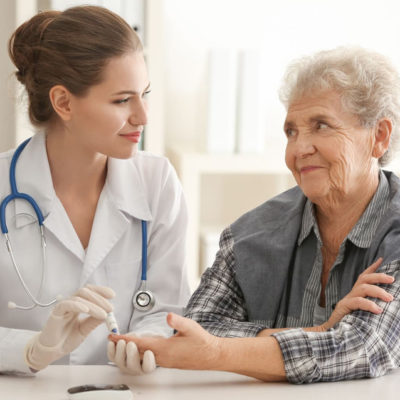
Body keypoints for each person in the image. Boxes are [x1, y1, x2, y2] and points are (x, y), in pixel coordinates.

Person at [110, 46, 400, 383]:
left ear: (379, 137)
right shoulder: (250, 234)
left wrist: (219, 352)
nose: (299, 149)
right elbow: (200, 327)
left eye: (321, 126)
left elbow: (365, 346)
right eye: (291, 132)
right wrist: (321, 330)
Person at [0, 6, 190, 376]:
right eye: (122, 100)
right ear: (63, 102)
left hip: (124, 390)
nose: (143, 116)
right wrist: (29, 350)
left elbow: (168, 309)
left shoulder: (157, 182)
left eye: (145, 94)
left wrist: (145, 342)